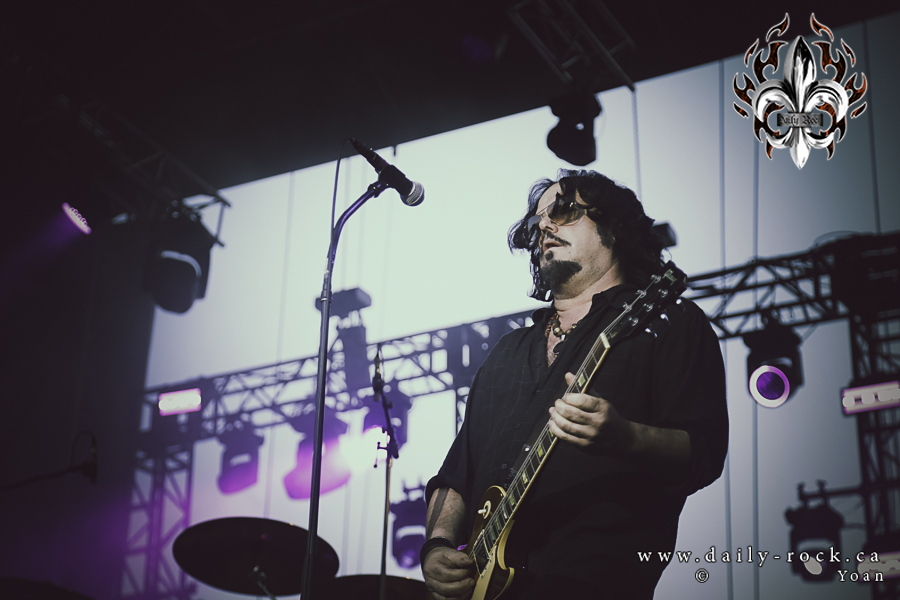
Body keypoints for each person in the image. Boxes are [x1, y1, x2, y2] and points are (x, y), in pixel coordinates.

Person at [420, 170, 729, 600]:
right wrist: (436, 546)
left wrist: (625, 436)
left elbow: (705, 451)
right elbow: (456, 475)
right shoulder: (506, 352)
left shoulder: (668, 323)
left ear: (614, 228)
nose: (545, 225)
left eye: (564, 211)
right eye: (537, 220)